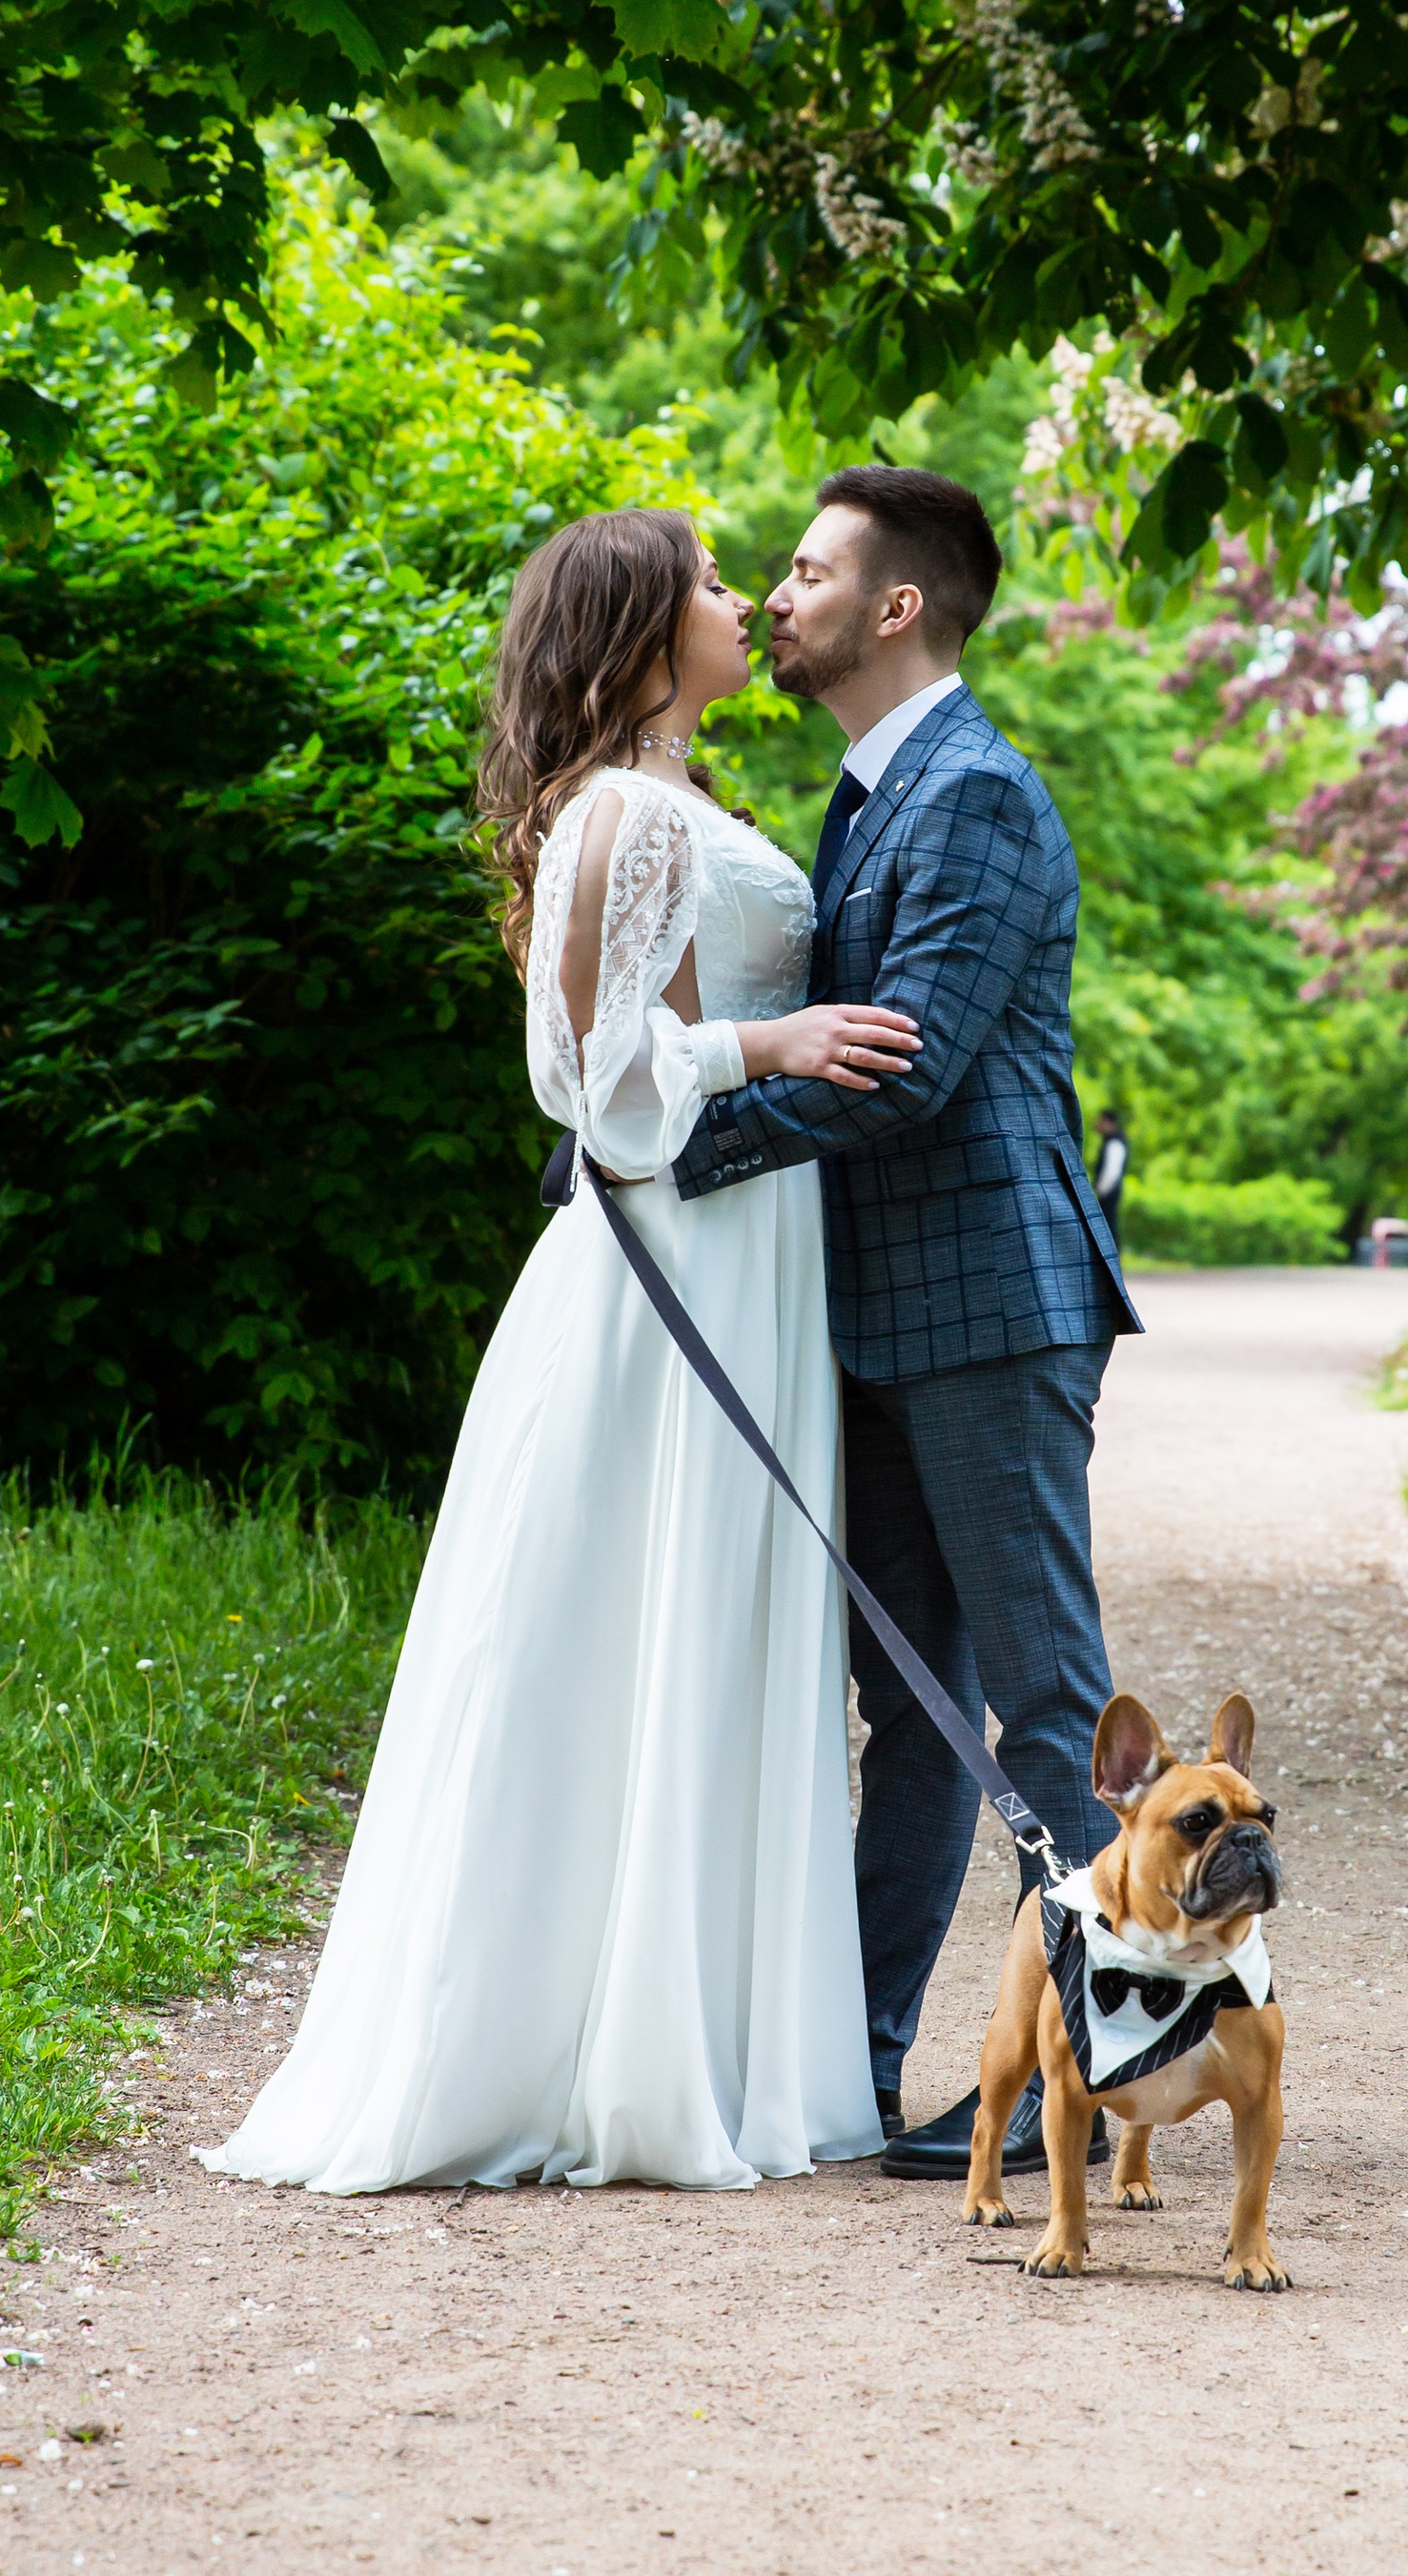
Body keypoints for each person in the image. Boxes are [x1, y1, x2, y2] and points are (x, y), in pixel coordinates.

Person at [201, 505, 921, 2192]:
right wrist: (772, 1044)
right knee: (651, 1626)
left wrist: (748, 1045)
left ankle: (691, 2037)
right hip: (682, 1264)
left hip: (744, 1253)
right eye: (714, 583)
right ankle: (626, 2055)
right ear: (643, 628)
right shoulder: (628, 815)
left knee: (689, 1634)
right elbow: (594, 1088)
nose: (744, 601)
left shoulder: (666, 800)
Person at [673, 465, 1139, 2174]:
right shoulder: (873, 793)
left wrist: (679, 1146)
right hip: (878, 1318)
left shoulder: (978, 794)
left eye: (805, 573)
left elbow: (912, 1067)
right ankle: (854, 2069)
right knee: (920, 1716)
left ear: (896, 606)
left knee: (1041, 1700)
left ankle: (1093, 2065)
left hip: (993, 1306)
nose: (773, 598)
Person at [1092, 1106, 1131, 1257]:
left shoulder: (1115, 1142)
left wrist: (1100, 1191)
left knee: (1108, 1225)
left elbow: (1112, 1171)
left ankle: (1111, 1256)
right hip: (1109, 1191)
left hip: (1109, 1192)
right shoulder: (1111, 1141)